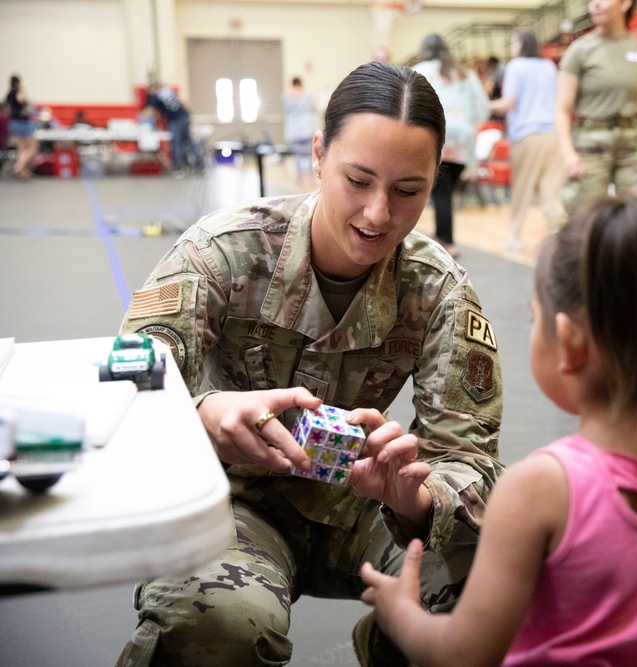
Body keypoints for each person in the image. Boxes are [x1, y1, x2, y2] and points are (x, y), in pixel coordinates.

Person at [114, 61, 504, 667]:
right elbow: (124, 385)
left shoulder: (439, 290)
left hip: (364, 506)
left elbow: (471, 462)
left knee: (498, 598)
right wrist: (204, 413)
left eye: (408, 191)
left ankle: (393, 644)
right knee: (215, 625)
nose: (378, 214)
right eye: (358, 180)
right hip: (235, 502)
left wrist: (417, 498)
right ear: (319, 156)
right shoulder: (224, 250)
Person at [361, 197, 637, 666]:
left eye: (535, 318)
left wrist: (398, 611)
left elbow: (465, 653)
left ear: (569, 342)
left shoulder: (541, 489)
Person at [554, 0, 637, 209]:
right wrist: (569, 155)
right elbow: (562, 111)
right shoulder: (579, 51)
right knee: (583, 218)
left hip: (634, 145)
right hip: (591, 144)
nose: (595, 5)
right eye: (592, 1)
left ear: (625, 4)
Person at [412, 34, 489, 258]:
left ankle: (448, 242)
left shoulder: (422, 70)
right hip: (463, 141)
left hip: (438, 137)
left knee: (441, 194)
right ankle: (440, 236)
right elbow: (483, 106)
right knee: (445, 193)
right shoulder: (465, 73)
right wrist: (472, 128)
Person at [488, 32, 566, 251]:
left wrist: (486, 105)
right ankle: (558, 234)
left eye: (513, 42)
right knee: (551, 189)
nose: (512, 46)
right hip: (553, 135)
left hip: (527, 135)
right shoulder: (549, 66)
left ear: (521, 44)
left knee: (522, 187)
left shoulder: (516, 66)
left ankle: (515, 235)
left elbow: (509, 103)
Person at [141, 80, 204, 174]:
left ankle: (177, 168)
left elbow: (149, 111)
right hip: (184, 115)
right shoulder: (168, 91)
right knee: (189, 140)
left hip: (175, 119)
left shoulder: (156, 96)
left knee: (176, 142)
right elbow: (183, 103)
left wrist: (140, 119)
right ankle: (200, 164)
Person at [282, 76, 319, 187]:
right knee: (309, 154)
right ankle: (311, 177)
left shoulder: (288, 96)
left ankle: (300, 179)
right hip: (306, 128)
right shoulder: (306, 95)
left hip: (297, 131)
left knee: (298, 155)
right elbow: (313, 109)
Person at [5, 75, 38, 180]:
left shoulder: (8, 94)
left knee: (22, 149)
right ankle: (17, 167)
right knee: (32, 148)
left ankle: (24, 174)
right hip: (22, 123)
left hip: (13, 122)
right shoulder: (19, 91)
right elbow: (22, 100)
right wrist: (26, 103)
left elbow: (7, 109)